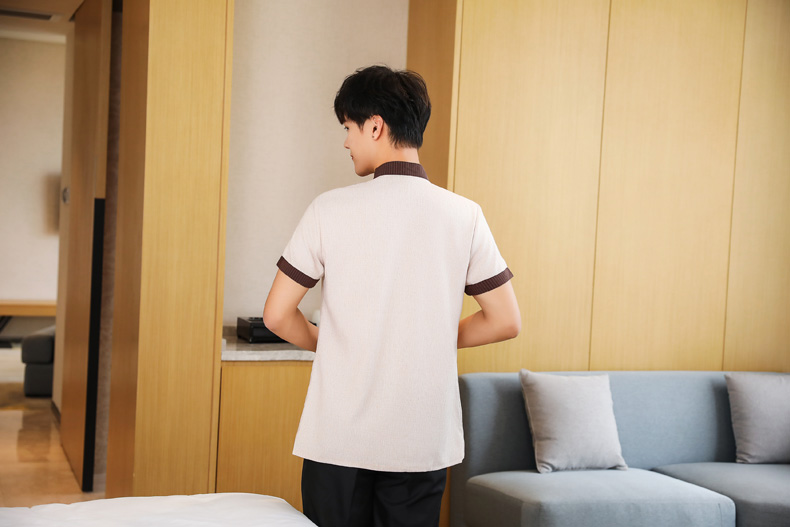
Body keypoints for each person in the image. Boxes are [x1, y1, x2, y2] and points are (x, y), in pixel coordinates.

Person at [263, 65, 521, 527]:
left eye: (348, 127)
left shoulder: (329, 209)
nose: (346, 142)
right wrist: (432, 338)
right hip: (420, 439)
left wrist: (333, 343)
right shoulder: (464, 215)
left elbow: (278, 315)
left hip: (339, 439)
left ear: (375, 126)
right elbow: (504, 320)